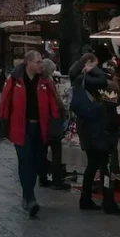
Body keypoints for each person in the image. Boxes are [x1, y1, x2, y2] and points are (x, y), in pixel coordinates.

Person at [0, 50, 61, 217]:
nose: (42, 64)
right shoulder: (15, 79)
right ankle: (30, 197)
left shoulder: (45, 80)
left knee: (37, 162)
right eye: (38, 62)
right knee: (25, 161)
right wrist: (2, 123)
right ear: (28, 63)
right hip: (21, 128)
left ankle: (28, 194)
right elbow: (4, 101)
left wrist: (55, 124)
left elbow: (54, 103)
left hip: (40, 128)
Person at [71, 65, 120, 214]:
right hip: (103, 135)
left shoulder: (85, 85)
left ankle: (85, 198)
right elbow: (113, 115)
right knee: (105, 168)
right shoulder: (109, 88)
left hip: (88, 135)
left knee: (91, 166)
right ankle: (108, 201)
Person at [39, 58, 69, 191]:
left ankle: (42, 177)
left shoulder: (37, 82)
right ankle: (57, 180)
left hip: (43, 122)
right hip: (52, 121)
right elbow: (55, 102)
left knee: (42, 151)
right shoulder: (48, 82)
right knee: (56, 152)